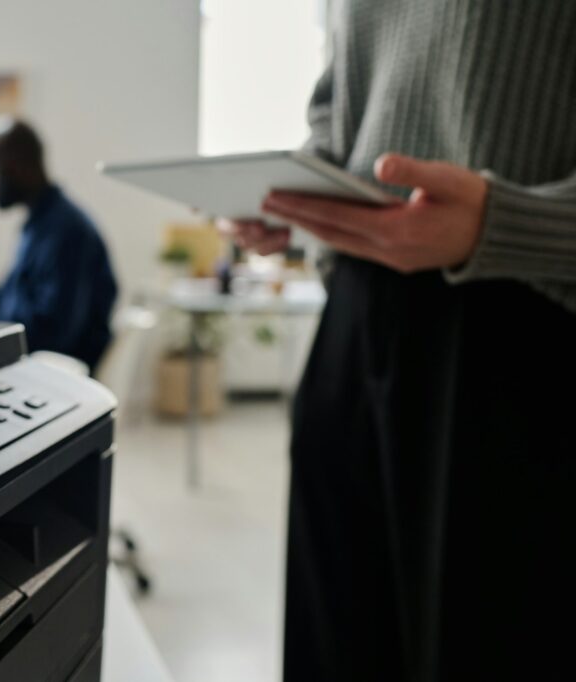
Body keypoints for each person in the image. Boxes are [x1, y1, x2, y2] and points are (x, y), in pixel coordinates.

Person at [223, 3, 576, 681]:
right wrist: (301, 201)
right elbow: (340, 113)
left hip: (519, 325)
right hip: (356, 315)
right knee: (335, 639)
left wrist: (507, 224)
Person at [0, 117, 117, 373]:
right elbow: (7, 296)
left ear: (12, 167)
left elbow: (54, 333)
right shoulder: (40, 225)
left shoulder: (67, 232)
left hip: (56, 372)